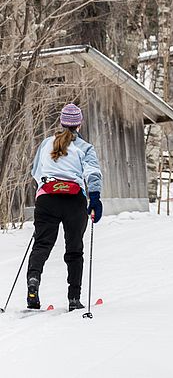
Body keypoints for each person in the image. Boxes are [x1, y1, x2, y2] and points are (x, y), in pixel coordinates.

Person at [27, 103, 103, 311]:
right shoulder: (85, 148)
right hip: (73, 201)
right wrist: (95, 198)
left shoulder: (46, 144)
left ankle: (33, 283)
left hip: (47, 199)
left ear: (61, 122)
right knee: (74, 249)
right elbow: (93, 174)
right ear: (80, 124)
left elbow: (35, 171)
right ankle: (73, 299)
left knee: (41, 245)